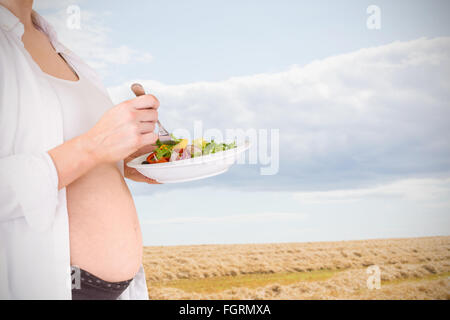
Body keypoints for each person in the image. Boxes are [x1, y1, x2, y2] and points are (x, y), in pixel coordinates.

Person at [0, 0, 160, 299]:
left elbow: (80, 152)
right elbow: (88, 148)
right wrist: (95, 146)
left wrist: (135, 155)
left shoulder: (56, 44)